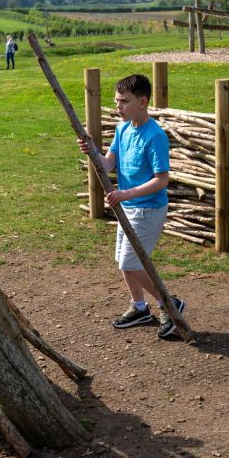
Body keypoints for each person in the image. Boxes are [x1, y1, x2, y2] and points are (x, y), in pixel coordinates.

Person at [78, 74, 185, 339]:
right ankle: (139, 307)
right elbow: (108, 164)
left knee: (130, 261)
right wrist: (92, 149)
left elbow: (161, 180)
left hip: (148, 209)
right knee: (123, 262)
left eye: (124, 101)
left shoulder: (154, 136)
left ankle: (169, 303)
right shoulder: (122, 128)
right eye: (117, 101)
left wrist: (124, 194)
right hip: (127, 207)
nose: (119, 106)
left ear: (143, 102)